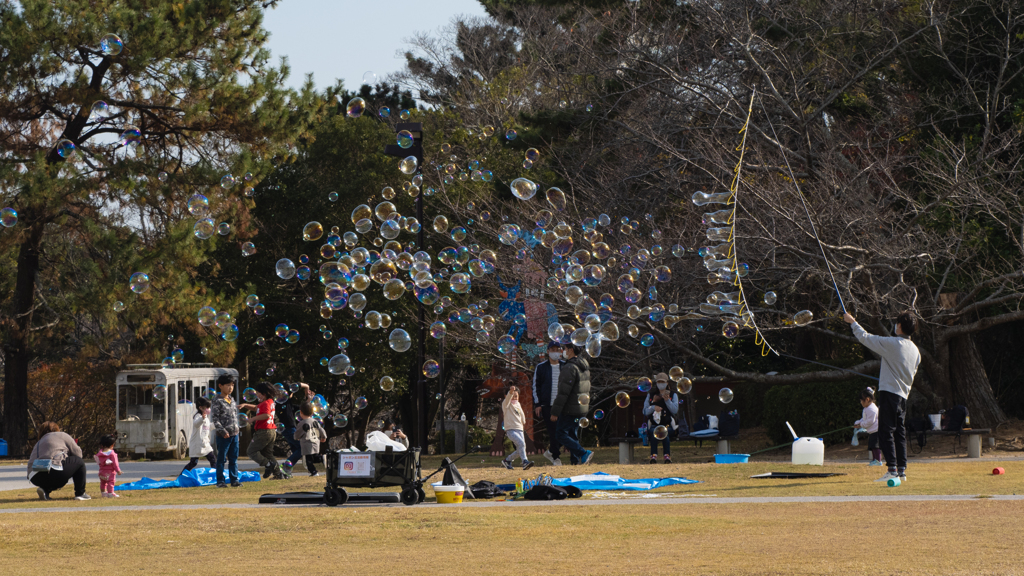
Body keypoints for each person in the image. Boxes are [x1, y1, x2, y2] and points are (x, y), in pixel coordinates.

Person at [844, 311, 920, 484]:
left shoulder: (894, 343)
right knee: (899, 432)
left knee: (886, 431)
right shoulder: (916, 351)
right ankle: (901, 471)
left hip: (890, 393)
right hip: (903, 397)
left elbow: (866, 338)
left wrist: (852, 322)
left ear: (899, 326)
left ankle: (892, 470)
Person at [550, 343, 594, 465]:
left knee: (560, 434)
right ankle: (575, 461)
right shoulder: (583, 365)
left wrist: (555, 411)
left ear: (570, 350)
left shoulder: (570, 367)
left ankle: (583, 453)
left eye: (564, 349)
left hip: (570, 408)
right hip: (581, 407)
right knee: (572, 434)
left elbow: (563, 392)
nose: (562, 351)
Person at [26, 421, 90, 501]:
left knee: (51, 477)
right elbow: (78, 454)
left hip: (34, 475)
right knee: (79, 462)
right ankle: (80, 493)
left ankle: (45, 490)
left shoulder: (39, 442)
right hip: (54, 471)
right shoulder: (62, 435)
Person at [211, 374, 249, 488]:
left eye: (232, 385)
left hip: (234, 434)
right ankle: (220, 481)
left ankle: (234, 480)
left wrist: (237, 431)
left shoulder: (231, 399)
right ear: (220, 386)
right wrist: (223, 431)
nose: (231, 388)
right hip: (223, 436)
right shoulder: (217, 400)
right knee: (221, 459)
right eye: (228, 385)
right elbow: (215, 419)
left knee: (234, 459)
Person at [533, 341, 566, 466]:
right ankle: (556, 458)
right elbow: (536, 386)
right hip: (547, 405)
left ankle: (551, 451)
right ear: (548, 351)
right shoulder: (541, 367)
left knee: (564, 432)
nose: (555, 352)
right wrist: (538, 404)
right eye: (553, 350)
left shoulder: (565, 366)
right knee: (553, 432)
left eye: (558, 349)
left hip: (562, 405)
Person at [246, 381, 284, 480]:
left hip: (264, 431)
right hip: (271, 431)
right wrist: (245, 405)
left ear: (264, 394)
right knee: (268, 454)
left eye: (258, 393)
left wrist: (253, 418)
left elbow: (266, 415)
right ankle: (278, 474)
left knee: (251, 451)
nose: (257, 395)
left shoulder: (265, 403)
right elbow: (256, 408)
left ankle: (268, 464)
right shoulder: (269, 402)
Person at [276, 381, 312, 476]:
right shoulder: (284, 402)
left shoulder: (288, 404)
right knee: (301, 448)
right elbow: (297, 385)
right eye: (291, 391)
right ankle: (284, 468)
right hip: (289, 429)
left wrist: (308, 400)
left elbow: (302, 410)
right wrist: (307, 387)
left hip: (287, 429)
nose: (292, 393)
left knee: (296, 450)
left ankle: (286, 470)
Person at [643, 373, 679, 464]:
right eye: (659, 382)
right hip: (653, 425)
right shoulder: (651, 395)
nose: (660, 384)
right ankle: (655, 456)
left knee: (664, 433)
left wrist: (667, 401)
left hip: (668, 425)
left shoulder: (673, 395)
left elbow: (675, 410)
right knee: (656, 433)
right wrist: (653, 406)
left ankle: (665, 456)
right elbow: (645, 411)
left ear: (667, 383)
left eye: (662, 382)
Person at [181, 396, 217, 476]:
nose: (208, 409)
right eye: (206, 407)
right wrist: (202, 419)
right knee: (193, 463)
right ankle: (182, 475)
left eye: (209, 407)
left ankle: (215, 474)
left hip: (205, 444)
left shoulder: (206, 418)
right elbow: (196, 424)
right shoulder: (197, 416)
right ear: (200, 407)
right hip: (197, 444)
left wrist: (216, 424)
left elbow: (208, 427)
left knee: (213, 459)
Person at [501, 385, 534, 470]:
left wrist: (523, 421)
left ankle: (507, 460)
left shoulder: (518, 404)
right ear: (507, 396)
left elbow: (521, 413)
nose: (514, 398)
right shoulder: (506, 404)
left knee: (521, 448)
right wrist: (511, 392)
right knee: (521, 444)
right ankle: (525, 462)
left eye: (516, 396)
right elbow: (508, 398)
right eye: (513, 396)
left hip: (520, 429)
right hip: (511, 429)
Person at [294, 402, 327, 476]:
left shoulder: (302, 423)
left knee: (308, 461)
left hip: (307, 445)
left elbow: (297, 434)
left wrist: (296, 437)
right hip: (316, 443)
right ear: (312, 413)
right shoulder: (315, 421)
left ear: (301, 412)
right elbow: (321, 430)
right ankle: (322, 458)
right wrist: (323, 437)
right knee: (315, 457)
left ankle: (314, 472)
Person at [854, 387, 882, 466]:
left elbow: (870, 421)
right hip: (872, 431)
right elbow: (864, 419)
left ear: (867, 399)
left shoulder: (871, 409)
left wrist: (860, 425)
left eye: (861, 401)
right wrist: (858, 422)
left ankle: (878, 461)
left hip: (876, 430)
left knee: (876, 446)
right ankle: (874, 460)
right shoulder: (867, 408)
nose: (861, 403)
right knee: (872, 446)